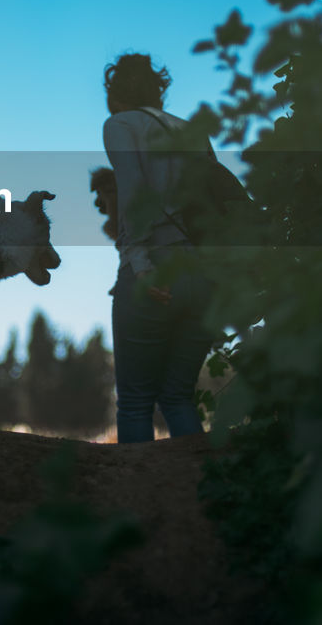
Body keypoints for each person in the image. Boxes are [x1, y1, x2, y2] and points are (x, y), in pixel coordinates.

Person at [102, 52, 215, 443]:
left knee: (135, 403)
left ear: (115, 95)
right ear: (158, 91)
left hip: (155, 268)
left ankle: (137, 505)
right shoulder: (193, 133)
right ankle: (206, 496)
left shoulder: (120, 124)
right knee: (178, 399)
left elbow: (133, 192)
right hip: (204, 276)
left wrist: (140, 263)